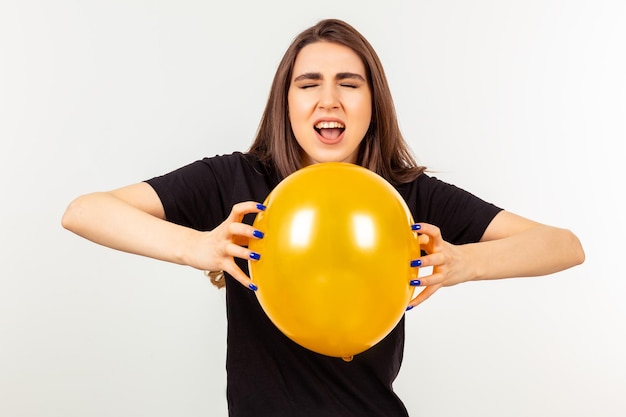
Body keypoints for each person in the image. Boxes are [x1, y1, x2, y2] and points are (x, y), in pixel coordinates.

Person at [62, 18, 584, 417]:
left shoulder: (408, 196)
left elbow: (563, 245)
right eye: (308, 83)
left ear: (373, 102)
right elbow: (84, 211)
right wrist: (198, 246)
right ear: (285, 101)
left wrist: (459, 262)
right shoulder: (236, 182)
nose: (327, 99)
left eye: (349, 83)